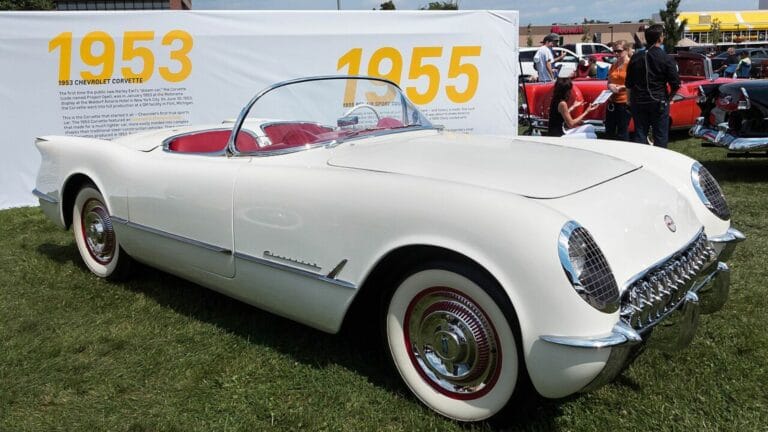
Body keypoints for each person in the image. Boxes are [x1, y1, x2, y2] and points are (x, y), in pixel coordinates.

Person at [625, 24, 680, 148]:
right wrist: (669, 99)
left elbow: (629, 83)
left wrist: (628, 101)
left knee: (640, 134)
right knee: (660, 136)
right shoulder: (666, 58)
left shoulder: (635, 57)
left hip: (638, 101)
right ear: (660, 38)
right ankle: (658, 163)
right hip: (658, 100)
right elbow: (676, 84)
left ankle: (642, 161)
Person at [605, 40, 631, 141]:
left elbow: (634, 84)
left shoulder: (630, 65)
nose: (616, 53)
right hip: (612, 102)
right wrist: (610, 85)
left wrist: (621, 87)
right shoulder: (614, 65)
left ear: (627, 50)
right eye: (614, 51)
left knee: (622, 132)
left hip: (624, 103)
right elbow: (609, 81)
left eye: (619, 51)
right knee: (609, 131)